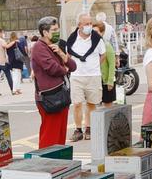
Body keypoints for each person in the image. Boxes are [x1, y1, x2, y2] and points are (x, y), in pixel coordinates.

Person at [28, 16, 70, 150]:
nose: (57, 32)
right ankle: (47, 164)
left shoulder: (55, 45)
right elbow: (53, 68)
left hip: (61, 95)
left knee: (60, 134)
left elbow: (73, 65)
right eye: (54, 29)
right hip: (50, 98)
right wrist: (65, 69)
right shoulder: (39, 47)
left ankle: (60, 165)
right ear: (45, 32)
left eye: (58, 29)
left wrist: (63, 55)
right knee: (50, 136)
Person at [63, 13, 106, 142]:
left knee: (91, 103)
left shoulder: (97, 39)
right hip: (77, 76)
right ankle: (78, 129)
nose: (89, 26)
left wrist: (94, 65)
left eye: (90, 23)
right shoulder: (71, 39)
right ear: (79, 25)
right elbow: (68, 55)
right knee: (76, 104)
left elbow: (103, 54)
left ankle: (89, 127)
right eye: (86, 24)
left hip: (93, 75)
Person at [96, 16, 118, 106]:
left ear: (102, 33)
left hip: (106, 81)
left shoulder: (107, 46)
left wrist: (110, 81)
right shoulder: (93, 47)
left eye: (96, 32)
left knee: (108, 105)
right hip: (97, 80)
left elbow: (112, 65)